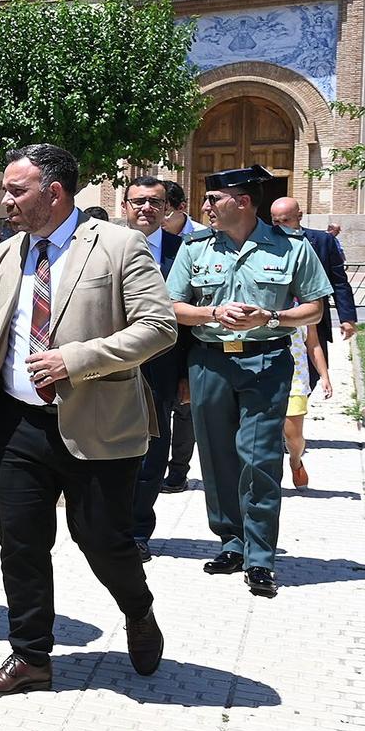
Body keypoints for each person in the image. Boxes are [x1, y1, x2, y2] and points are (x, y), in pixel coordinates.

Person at [0, 144, 175, 696]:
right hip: (17, 424)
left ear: (53, 193)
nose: (5, 200)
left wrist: (75, 360)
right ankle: (30, 657)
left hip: (99, 423)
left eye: (15, 190)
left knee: (101, 538)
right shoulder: (3, 256)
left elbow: (160, 326)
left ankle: (139, 611)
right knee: (20, 543)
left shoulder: (120, 246)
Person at [168, 167, 332, 597]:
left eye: (213, 199)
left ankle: (260, 557)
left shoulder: (292, 247)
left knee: (258, 459)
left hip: (266, 362)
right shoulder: (195, 248)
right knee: (218, 457)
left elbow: (315, 308)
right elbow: (170, 305)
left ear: (241, 201)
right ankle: (232, 542)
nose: (205, 207)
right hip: (210, 363)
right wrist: (211, 313)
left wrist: (272, 317)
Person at [121, 176, 191, 557]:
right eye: (137, 201)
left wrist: (186, 375)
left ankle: (137, 531)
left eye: (154, 202)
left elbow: (191, 321)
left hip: (163, 368)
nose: (145, 208)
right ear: (125, 206)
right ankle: (109, 523)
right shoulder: (105, 248)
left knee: (153, 449)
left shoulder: (185, 253)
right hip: (112, 364)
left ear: (167, 208)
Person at [269, 196, 357, 381]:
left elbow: (339, 282)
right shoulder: (265, 242)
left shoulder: (322, 241)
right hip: (277, 318)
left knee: (313, 374)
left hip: (314, 319)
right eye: (276, 221)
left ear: (299, 215)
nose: (281, 226)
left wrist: (347, 318)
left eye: (286, 220)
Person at [282, 322, 333, 487]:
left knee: (293, 437)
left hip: (295, 379)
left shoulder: (304, 307)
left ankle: (295, 462)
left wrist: (324, 376)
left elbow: (314, 344)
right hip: (260, 375)